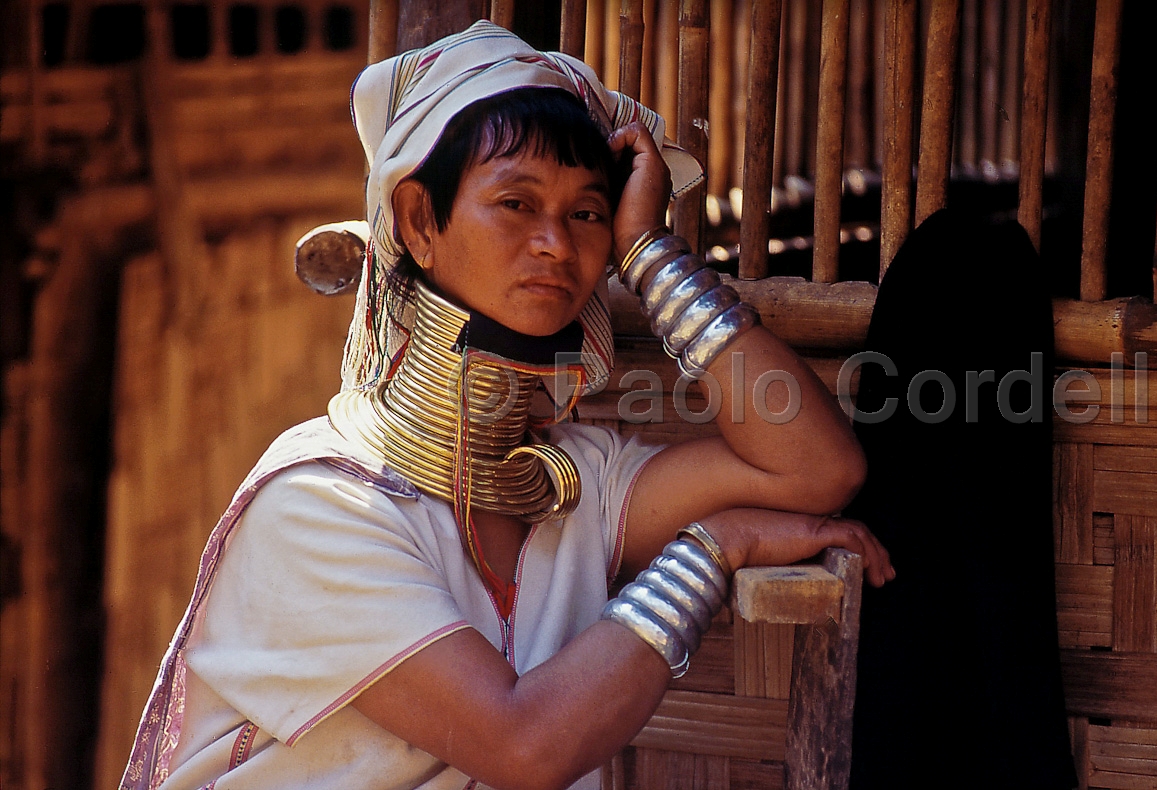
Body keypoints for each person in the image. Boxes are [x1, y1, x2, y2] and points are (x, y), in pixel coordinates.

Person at [120, 20, 894, 790]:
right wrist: (710, 551)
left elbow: (816, 470)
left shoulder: (578, 484)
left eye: (586, 214)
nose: (556, 243)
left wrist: (649, 252)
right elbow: (526, 746)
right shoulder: (317, 505)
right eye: (517, 204)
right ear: (420, 221)